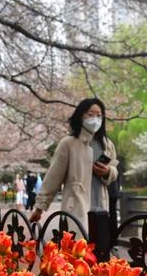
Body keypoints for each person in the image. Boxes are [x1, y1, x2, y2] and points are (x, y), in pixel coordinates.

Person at [30, 98, 118, 230]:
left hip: (101, 207)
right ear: (81, 115)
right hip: (76, 207)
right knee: (77, 247)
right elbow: (53, 176)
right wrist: (39, 208)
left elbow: (114, 169)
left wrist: (108, 171)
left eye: (99, 115)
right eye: (90, 114)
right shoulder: (68, 143)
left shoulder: (107, 144)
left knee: (99, 248)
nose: (95, 119)